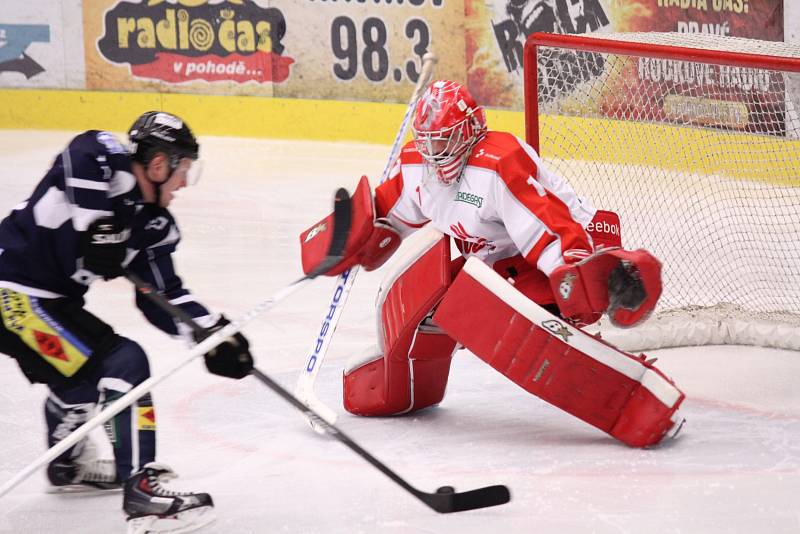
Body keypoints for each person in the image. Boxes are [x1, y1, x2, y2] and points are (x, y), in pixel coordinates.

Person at [300, 80, 683, 448]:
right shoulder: (419, 165)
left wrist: (571, 272)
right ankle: (398, 386)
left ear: (470, 130)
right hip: (494, 264)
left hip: (562, 246)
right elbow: (385, 211)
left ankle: (609, 279)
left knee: (499, 296)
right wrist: (353, 236)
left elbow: (548, 225)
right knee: (441, 289)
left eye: (444, 140)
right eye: (428, 141)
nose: (435, 153)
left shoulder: (497, 163)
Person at [0, 111, 253, 533]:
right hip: (10, 296)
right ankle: (143, 494)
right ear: (158, 165)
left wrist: (213, 334)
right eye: (182, 171)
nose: (182, 185)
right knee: (124, 363)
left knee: (83, 380)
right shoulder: (105, 163)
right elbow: (84, 150)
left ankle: (67, 463)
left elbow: (163, 297)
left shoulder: (152, 224)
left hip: (47, 307)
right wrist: (97, 224)